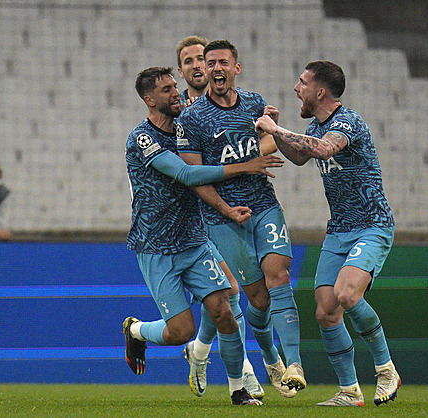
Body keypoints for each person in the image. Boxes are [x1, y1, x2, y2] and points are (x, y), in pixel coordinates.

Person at [124, 66, 283, 406]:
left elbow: (229, 142)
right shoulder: (143, 138)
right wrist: (245, 166)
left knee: (223, 309)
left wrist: (259, 123)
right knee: (182, 331)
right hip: (156, 246)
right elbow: (185, 173)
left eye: (174, 87)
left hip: (194, 240)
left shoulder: (186, 128)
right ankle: (136, 331)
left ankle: (238, 388)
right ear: (150, 100)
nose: (175, 93)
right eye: (167, 90)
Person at [255, 60, 400, 407]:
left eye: (302, 83)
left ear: (320, 91)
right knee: (326, 310)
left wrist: (277, 128)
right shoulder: (316, 127)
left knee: (347, 295)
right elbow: (302, 156)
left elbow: (322, 150)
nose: (296, 88)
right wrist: (274, 132)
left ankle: (386, 369)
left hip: (372, 225)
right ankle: (349, 391)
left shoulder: (346, 122)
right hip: (338, 231)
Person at [177, 40, 306, 398]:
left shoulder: (253, 103)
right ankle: (268, 354)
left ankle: (292, 365)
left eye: (223, 62)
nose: (216, 68)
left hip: (264, 203)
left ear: (236, 68)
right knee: (257, 299)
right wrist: (226, 207)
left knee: (279, 277)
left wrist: (273, 130)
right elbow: (193, 175)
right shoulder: (191, 117)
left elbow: (264, 144)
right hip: (222, 219)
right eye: (210, 62)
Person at [176, 35, 265, 399]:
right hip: (193, 215)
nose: (199, 65)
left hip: (229, 208)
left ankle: (199, 350)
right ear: (181, 71)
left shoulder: (235, 105)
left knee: (229, 294)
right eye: (190, 61)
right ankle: (245, 375)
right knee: (228, 292)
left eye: (203, 58)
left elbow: (259, 146)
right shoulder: (176, 111)